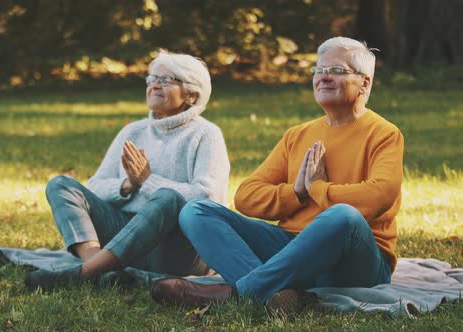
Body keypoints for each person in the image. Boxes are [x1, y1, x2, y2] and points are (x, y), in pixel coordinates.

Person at [151, 37, 404, 312]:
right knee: (196, 211)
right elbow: (246, 196)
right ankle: (276, 293)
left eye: (336, 71)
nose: (323, 77)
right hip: (289, 246)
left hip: (357, 261)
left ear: (364, 82)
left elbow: (380, 196)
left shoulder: (384, 134)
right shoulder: (298, 135)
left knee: (343, 216)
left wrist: (318, 187)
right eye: (318, 71)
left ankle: (241, 293)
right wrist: (296, 192)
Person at [24, 51, 230, 290]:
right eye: (151, 79)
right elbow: (94, 187)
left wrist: (148, 181)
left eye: (166, 80)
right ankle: (96, 267)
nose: (154, 85)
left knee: (167, 197)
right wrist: (127, 186)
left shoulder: (206, 135)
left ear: (192, 95)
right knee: (61, 185)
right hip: (125, 243)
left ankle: (83, 274)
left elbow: (208, 199)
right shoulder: (133, 131)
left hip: (178, 250)